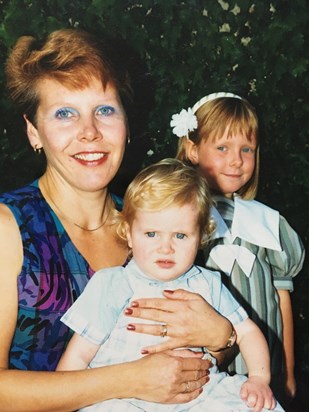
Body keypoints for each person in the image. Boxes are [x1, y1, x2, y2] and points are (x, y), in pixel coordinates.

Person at [0, 30, 237, 411]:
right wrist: (127, 380)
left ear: (127, 124)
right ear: (34, 132)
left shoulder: (153, 224)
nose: (90, 132)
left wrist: (221, 337)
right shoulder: (8, 228)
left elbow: (192, 361)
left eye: (105, 110)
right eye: (65, 113)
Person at [57, 158, 283, 412]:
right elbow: (77, 356)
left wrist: (259, 379)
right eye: (151, 234)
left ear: (200, 237)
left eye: (180, 235)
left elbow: (247, 332)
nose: (166, 247)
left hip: (196, 396)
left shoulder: (207, 283)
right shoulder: (112, 283)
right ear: (129, 234)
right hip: (122, 398)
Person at [172, 92, 305, 405]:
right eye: (222, 148)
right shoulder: (179, 217)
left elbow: (282, 300)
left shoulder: (269, 222)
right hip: (206, 375)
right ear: (192, 149)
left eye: (247, 149)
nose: (236, 160)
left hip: (262, 374)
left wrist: (287, 372)